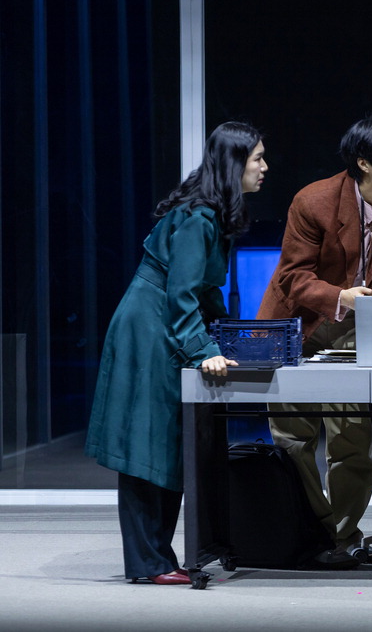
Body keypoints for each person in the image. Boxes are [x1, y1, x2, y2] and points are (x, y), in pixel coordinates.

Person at [85, 121, 267, 585]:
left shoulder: (214, 214)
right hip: (149, 328)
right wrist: (203, 349)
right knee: (147, 442)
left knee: (168, 442)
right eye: (257, 159)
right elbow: (181, 294)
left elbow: (203, 291)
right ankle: (149, 564)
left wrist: (232, 336)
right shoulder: (199, 217)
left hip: (163, 323)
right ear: (234, 164)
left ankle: (159, 559)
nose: (265, 167)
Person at [257, 114, 372, 567]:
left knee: (352, 437)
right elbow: (293, 277)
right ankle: (311, 530)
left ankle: (343, 535)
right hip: (300, 321)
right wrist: (340, 297)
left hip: (359, 326)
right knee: (293, 437)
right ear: (363, 163)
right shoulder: (313, 201)